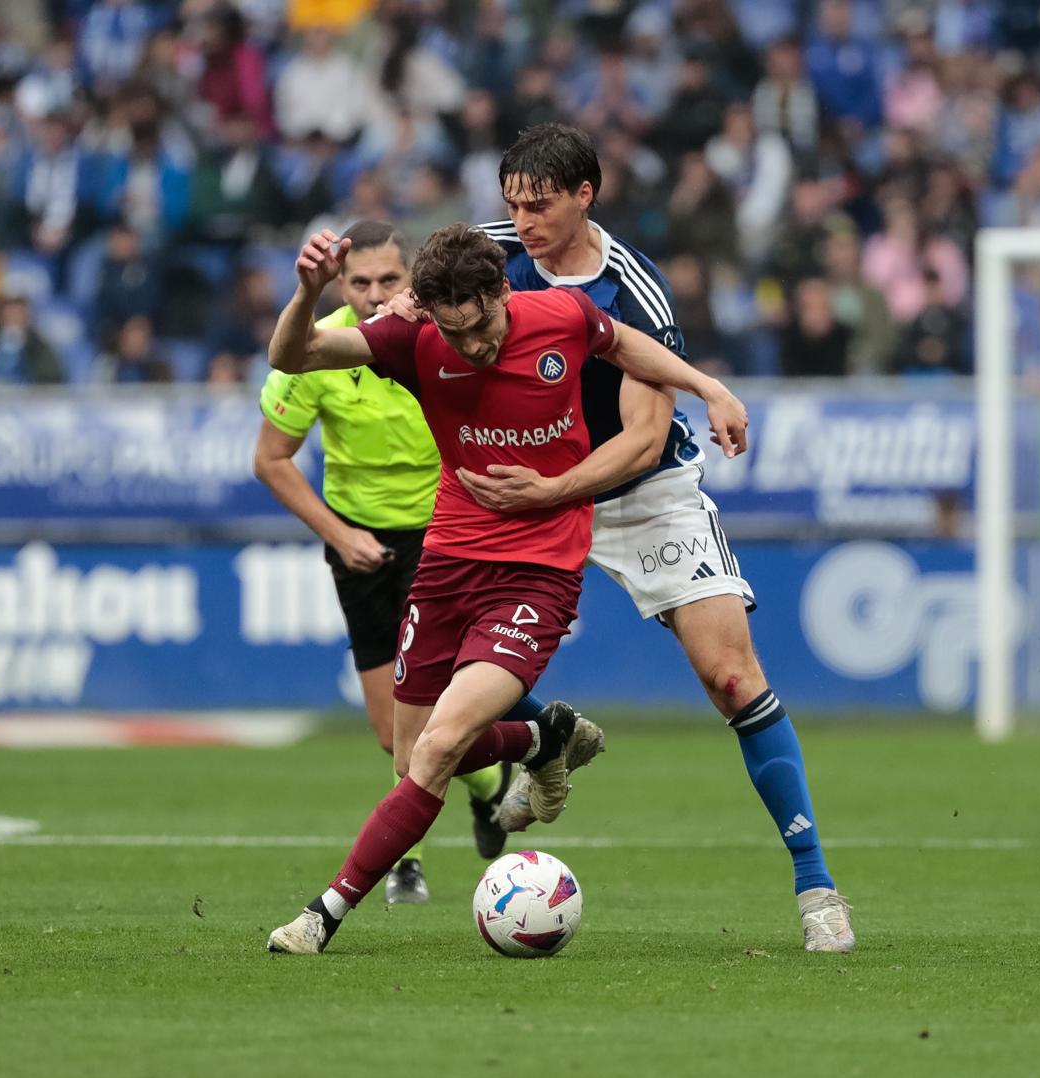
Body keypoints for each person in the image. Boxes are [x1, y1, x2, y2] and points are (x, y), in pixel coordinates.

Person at [264, 223, 748, 954]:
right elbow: (292, 354)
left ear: (501, 292)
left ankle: (322, 912)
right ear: (429, 313)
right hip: (449, 564)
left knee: (437, 749)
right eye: (456, 334)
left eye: (483, 324)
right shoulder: (414, 340)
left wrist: (709, 386)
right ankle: (542, 733)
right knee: (414, 756)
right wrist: (305, 291)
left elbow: (628, 343)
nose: (477, 347)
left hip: (538, 571)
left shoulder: (557, 314)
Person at [473, 123, 856, 951]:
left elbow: (644, 441)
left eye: (539, 205)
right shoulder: (486, 252)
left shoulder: (635, 291)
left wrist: (552, 489)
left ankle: (817, 884)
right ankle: (550, 738)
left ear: (586, 195)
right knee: (454, 669)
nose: (523, 220)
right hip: (533, 489)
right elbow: (414, 299)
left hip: (643, 494)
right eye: (513, 204)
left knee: (730, 675)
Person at [252, 220, 511, 904]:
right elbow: (270, 460)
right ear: (341, 284)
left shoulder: (441, 332)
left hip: (445, 533)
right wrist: (339, 535)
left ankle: (406, 862)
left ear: (413, 278)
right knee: (390, 728)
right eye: (360, 282)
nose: (373, 295)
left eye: (388, 281)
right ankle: (491, 786)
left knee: (441, 714)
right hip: (361, 544)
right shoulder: (325, 348)